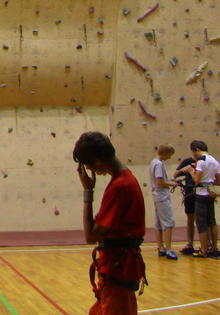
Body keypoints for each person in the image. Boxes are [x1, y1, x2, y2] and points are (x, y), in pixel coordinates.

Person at [74, 131, 146, 315]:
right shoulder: (126, 179)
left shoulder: (119, 186)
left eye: (87, 164)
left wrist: (88, 192)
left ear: (97, 161)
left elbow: (90, 235)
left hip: (118, 269)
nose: (88, 169)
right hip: (118, 268)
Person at [183, 140, 220, 257]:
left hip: (201, 194)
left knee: (201, 222)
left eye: (194, 152)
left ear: (197, 150)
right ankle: (214, 247)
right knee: (212, 221)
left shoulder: (201, 161)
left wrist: (190, 171)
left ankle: (203, 250)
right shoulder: (215, 161)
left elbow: (197, 180)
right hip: (210, 194)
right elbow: (219, 182)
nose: (194, 155)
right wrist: (209, 182)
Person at [149, 144, 177, 260]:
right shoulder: (159, 164)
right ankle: (169, 249)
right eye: (169, 155)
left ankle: (160, 248)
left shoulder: (153, 162)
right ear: (165, 153)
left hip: (157, 196)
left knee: (159, 223)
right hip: (162, 196)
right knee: (168, 222)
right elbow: (159, 181)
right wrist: (171, 183)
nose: (169, 158)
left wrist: (167, 181)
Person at [172, 152, 198, 255]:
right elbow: (175, 174)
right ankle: (190, 243)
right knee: (190, 219)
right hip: (189, 193)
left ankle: (207, 243)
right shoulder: (187, 161)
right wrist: (183, 170)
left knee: (202, 219)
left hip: (200, 192)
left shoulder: (203, 162)